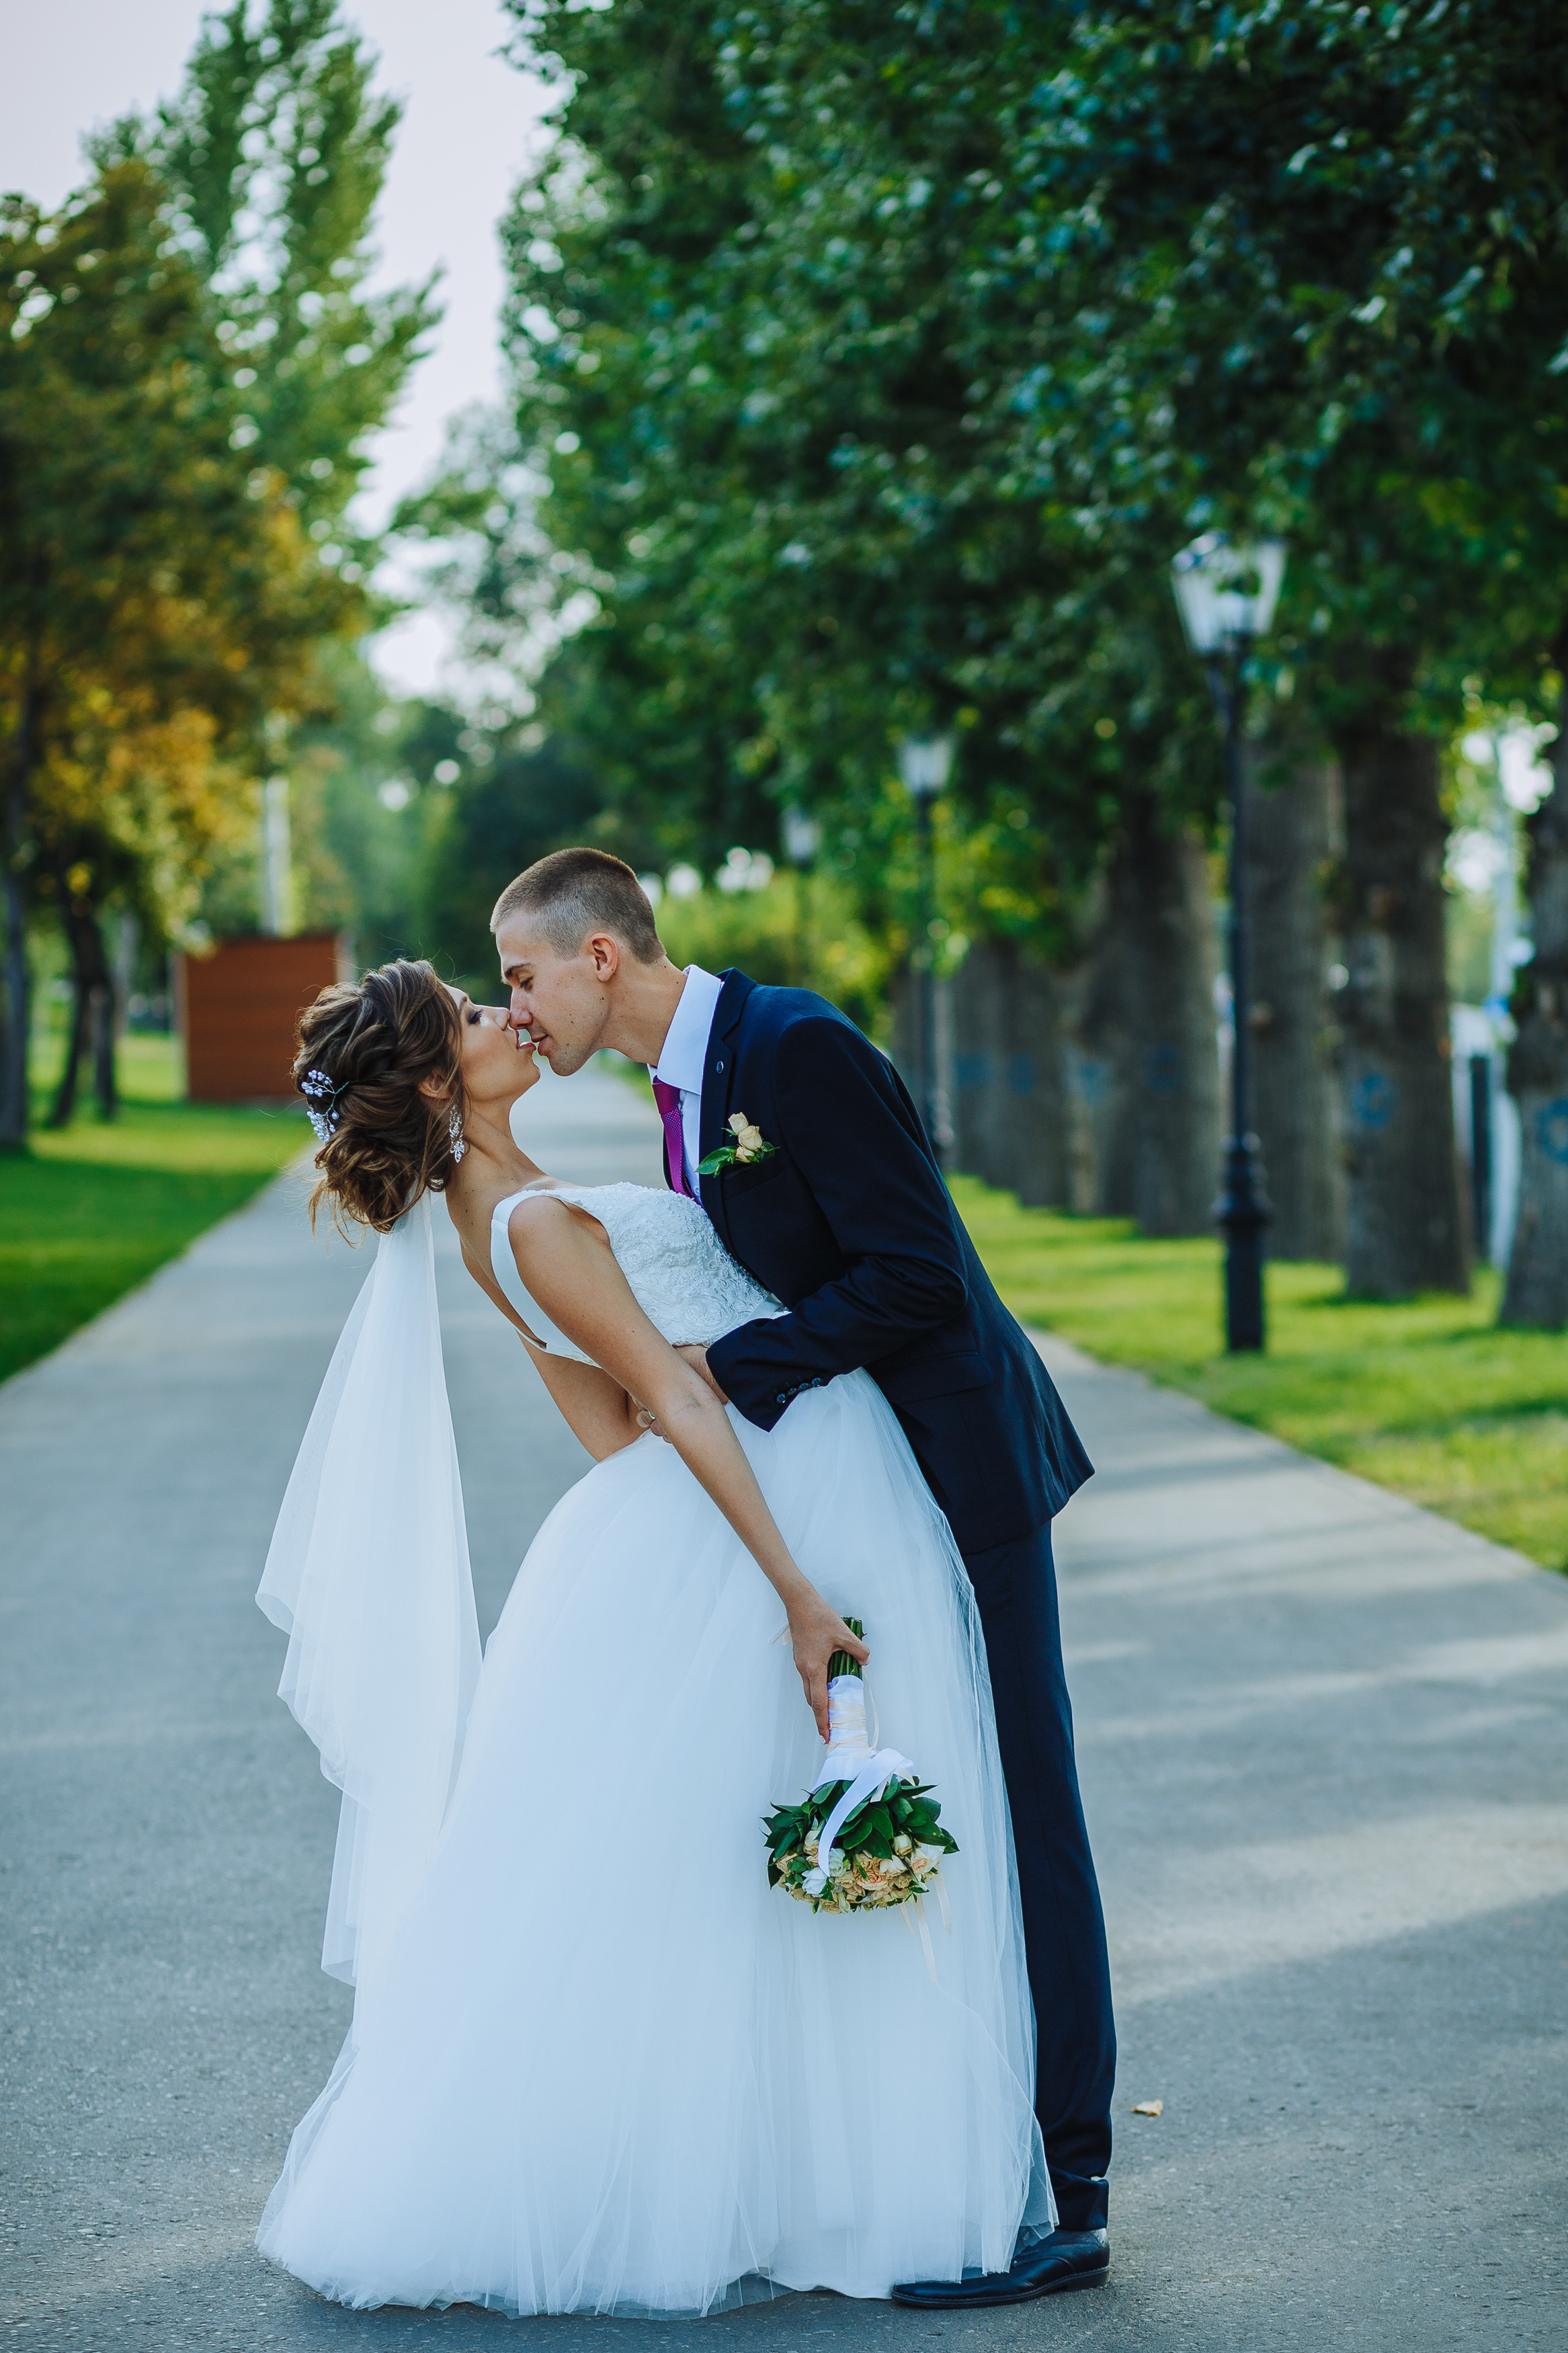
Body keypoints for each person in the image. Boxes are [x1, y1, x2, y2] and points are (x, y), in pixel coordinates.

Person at [255, 953, 1056, 2318]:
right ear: (443, 1079)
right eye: (468, 1009)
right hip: (766, 1506)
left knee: (712, 1860)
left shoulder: (488, 1213)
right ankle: (817, 2174)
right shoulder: (529, 1218)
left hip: (692, 1517)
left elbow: (600, 1426)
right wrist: (796, 1587)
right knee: (763, 1843)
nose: (500, 1008)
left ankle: (774, 2167)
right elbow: (673, 1414)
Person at [493, 848, 1116, 2307]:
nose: (515, 1009)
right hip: (864, 1484)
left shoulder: (794, 1047)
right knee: (936, 1786)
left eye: (522, 976)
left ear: (599, 957)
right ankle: (958, 2150)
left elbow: (918, 1275)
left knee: (1029, 1801)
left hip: (964, 1468)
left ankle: (1072, 2189)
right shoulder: (680, 1101)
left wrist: (729, 1369)